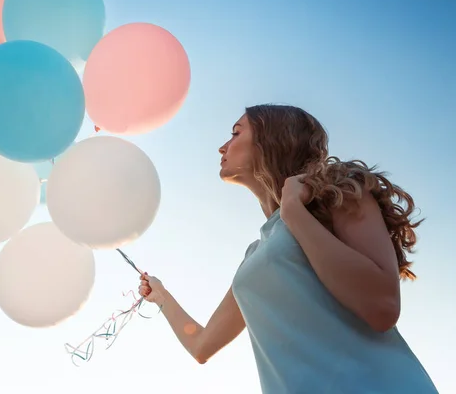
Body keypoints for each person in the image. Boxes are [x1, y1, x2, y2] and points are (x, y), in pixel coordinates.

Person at [138, 105, 438, 393]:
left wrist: (293, 210)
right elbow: (202, 345)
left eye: (236, 133)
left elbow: (382, 308)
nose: (223, 147)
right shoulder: (255, 257)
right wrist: (161, 296)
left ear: (270, 140)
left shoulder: (337, 192)